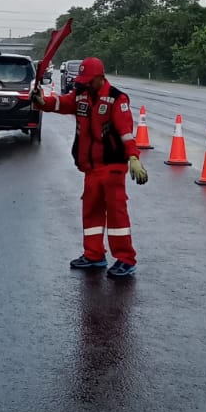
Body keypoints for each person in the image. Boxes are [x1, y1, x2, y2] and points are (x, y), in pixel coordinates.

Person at [35, 56, 147, 277]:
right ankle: (94, 255)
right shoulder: (82, 96)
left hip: (112, 167)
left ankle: (126, 259)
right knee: (91, 211)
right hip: (91, 168)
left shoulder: (117, 99)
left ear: (100, 77)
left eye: (89, 80)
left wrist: (134, 158)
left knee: (117, 215)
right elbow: (62, 103)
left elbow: (126, 133)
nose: (85, 84)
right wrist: (42, 101)